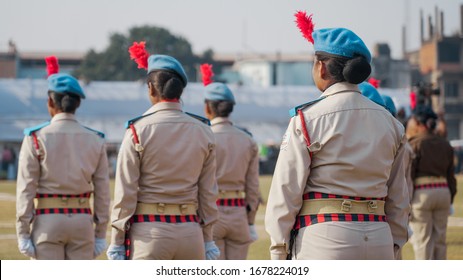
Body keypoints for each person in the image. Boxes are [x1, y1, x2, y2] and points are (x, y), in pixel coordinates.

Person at [265, 11, 410, 260]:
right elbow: (399, 197)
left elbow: (286, 191)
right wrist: (393, 245)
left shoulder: (306, 119)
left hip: (324, 236)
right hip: (379, 236)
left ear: (321, 68)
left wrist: (278, 249)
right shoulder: (392, 124)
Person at [107, 42, 220, 260]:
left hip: (148, 234)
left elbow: (125, 193)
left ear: (150, 88)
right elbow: (208, 193)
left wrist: (117, 241)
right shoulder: (204, 131)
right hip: (191, 232)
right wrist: (208, 239)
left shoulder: (137, 130)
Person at [16, 56, 110, 260]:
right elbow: (102, 190)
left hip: (47, 221)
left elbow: (26, 188)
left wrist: (23, 232)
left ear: (50, 101)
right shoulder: (96, 139)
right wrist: (101, 233)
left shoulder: (35, 137)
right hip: (82, 221)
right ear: (77, 103)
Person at [200, 64, 260, 260]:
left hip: (211, 213)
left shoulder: (202, 137)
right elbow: (253, 187)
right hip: (238, 213)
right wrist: (250, 221)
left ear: (207, 107)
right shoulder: (247, 139)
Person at [407, 105, 457, 259]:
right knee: (440, 241)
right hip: (443, 192)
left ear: (418, 124)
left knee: (423, 241)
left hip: (422, 194)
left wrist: (407, 201)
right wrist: (450, 199)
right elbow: (451, 177)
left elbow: (409, 176)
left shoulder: (415, 143)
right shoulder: (445, 144)